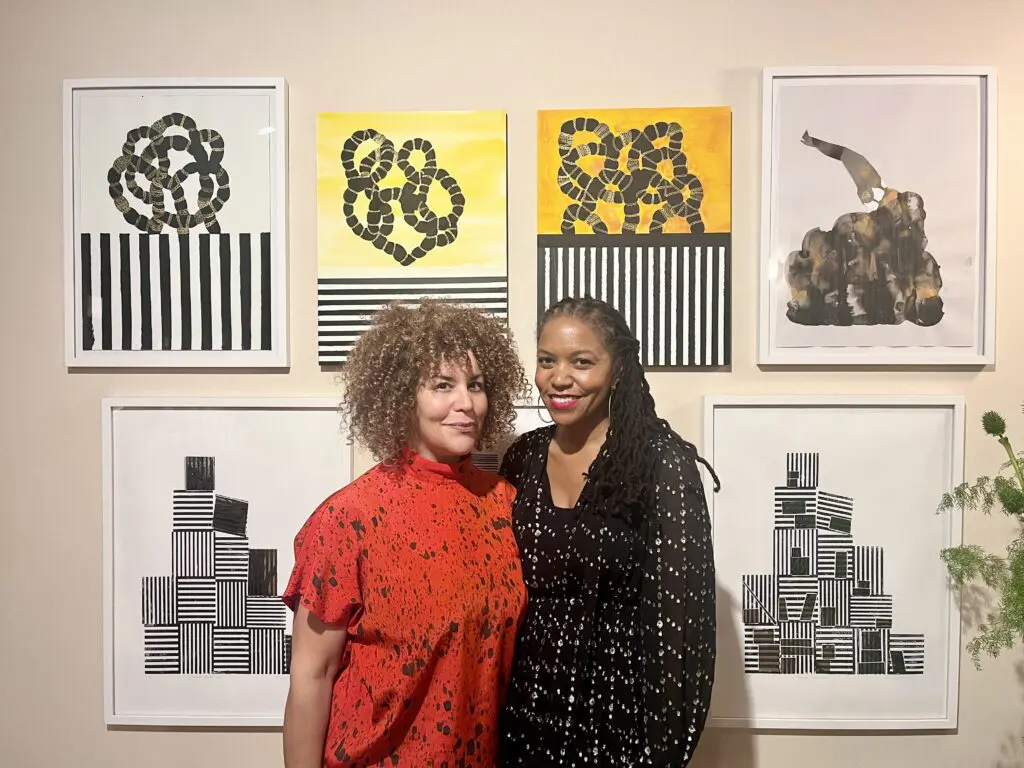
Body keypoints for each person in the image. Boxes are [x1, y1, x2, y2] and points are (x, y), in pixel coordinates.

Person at [281, 299, 532, 768]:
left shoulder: (503, 503)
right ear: (402, 396)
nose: (466, 403)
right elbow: (311, 677)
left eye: (475, 386)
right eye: (443, 385)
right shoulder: (348, 519)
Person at [497, 296, 720, 767]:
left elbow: (685, 635)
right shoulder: (522, 458)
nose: (560, 378)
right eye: (547, 361)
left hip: (620, 723)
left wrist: (662, 754)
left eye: (582, 362)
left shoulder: (662, 464)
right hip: (524, 717)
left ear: (617, 370)